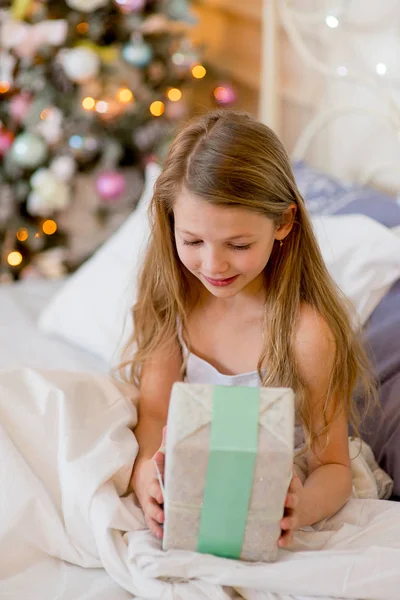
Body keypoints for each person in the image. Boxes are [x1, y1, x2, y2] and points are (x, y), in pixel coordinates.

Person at [120, 109, 375, 548]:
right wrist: (147, 472)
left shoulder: (306, 333)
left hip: (279, 481)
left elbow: (333, 466)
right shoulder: (173, 298)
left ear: (283, 223)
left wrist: (298, 508)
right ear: (170, 222)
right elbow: (156, 413)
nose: (213, 265)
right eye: (193, 241)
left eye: (238, 245)